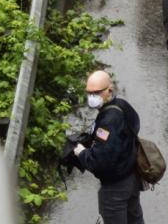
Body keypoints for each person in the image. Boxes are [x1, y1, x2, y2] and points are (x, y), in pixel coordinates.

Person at [63, 70, 143, 224]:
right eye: (89, 93)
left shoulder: (108, 122)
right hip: (132, 178)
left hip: (115, 187)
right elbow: (135, 126)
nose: (92, 97)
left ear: (109, 91)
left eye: (97, 93)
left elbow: (99, 162)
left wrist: (82, 152)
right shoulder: (123, 105)